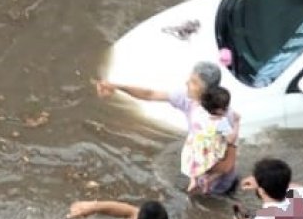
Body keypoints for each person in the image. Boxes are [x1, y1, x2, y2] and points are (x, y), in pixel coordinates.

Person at [96, 62, 241, 195]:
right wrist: (117, 87)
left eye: (194, 82)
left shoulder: (222, 116)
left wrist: (206, 177)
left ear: (207, 91)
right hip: (200, 171)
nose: (187, 84)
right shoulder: (188, 99)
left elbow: (227, 162)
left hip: (219, 184)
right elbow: (150, 94)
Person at [183, 86, 238, 194]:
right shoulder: (221, 122)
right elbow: (231, 139)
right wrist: (236, 122)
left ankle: (193, 180)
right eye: (226, 107)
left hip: (195, 147)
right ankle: (209, 179)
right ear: (219, 110)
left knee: (194, 165)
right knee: (225, 167)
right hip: (210, 152)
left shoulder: (198, 111)